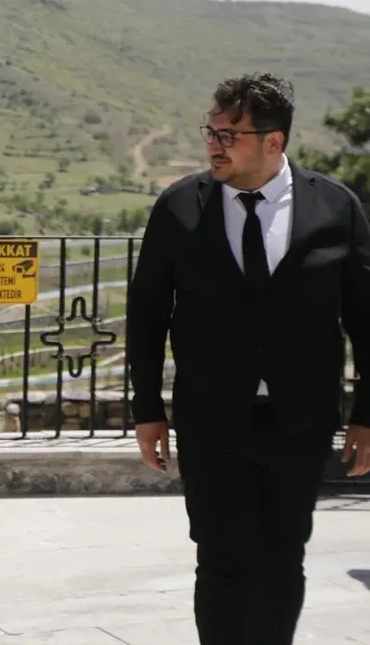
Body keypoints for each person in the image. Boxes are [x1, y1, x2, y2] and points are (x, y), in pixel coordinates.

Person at [126, 72, 370, 645]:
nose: (214, 144)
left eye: (229, 135)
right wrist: (147, 409)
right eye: (211, 132)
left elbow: (365, 319)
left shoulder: (335, 207)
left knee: (284, 557)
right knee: (221, 558)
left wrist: (366, 414)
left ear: (273, 141)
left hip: (301, 420)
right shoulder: (179, 206)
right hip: (211, 420)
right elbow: (148, 312)